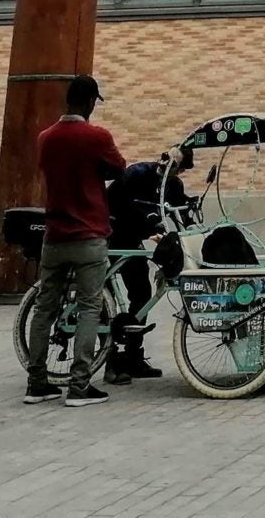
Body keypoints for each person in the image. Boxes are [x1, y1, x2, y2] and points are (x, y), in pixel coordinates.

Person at [23, 73, 124, 406]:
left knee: (44, 309)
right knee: (89, 307)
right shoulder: (96, 136)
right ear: (91, 101)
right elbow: (118, 168)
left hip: (53, 236)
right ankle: (78, 386)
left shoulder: (45, 138)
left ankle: (37, 383)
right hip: (89, 236)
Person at [102, 153, 180, 382]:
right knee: (105, 299)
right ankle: (110, 362)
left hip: (131, 238)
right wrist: (150, 219)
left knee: (142, 293)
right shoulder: (138, 173)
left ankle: (133, 356)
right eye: (172, 165)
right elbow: (131, 204)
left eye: (179, 169)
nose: (174, 172)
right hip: (111, 233)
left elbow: (177, 210)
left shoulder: (172, 184)